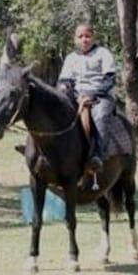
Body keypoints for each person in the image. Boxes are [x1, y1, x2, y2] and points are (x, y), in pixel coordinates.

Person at [57, 23, 117, 181]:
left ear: (93, 37)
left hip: (100, 97)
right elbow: (65, 80)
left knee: (101, 116)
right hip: (77, 96)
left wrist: (93, 94)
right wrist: (64, 89)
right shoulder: (71, 58)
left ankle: (98, 155)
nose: (84, 39)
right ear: (75, 39)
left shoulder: (103, 53)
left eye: (87, 36)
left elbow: (109, 79)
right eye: (80, 36)